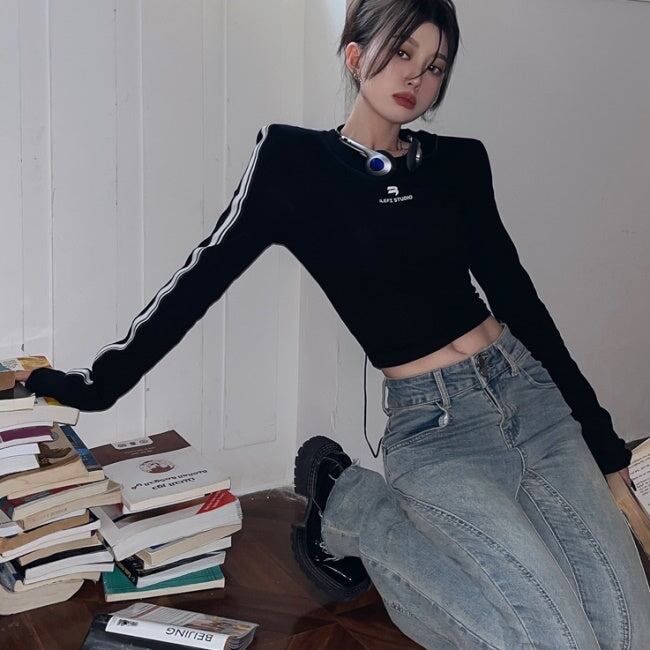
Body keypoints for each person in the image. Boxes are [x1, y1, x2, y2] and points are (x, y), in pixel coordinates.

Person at [17, 0, 649, 647]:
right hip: (441, 428)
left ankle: (368, 514)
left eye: (435, 65)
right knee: (555, 638)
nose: (417, 75)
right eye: (402, 51)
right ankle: (353, 504)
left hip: (532, 401)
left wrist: (605, 448)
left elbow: (520, 302)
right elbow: (198, 280)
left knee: (632, 633)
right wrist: (94, 387)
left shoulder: (459, 163)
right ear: (355, 54)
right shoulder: (294, 164)